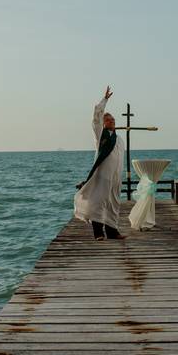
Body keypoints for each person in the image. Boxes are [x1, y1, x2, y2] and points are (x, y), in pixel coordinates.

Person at [74, 86, 126, 240]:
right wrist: (105, 100)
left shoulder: (119, 139)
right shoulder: (100, 135)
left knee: (114, 203)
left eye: (113, 120)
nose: (111, 121)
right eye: (108, 120)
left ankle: (112, 231)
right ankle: (98, 233)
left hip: (116, 177)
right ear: (104, 123)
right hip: (103, 176)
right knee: (99, 202)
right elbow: (96, 116)